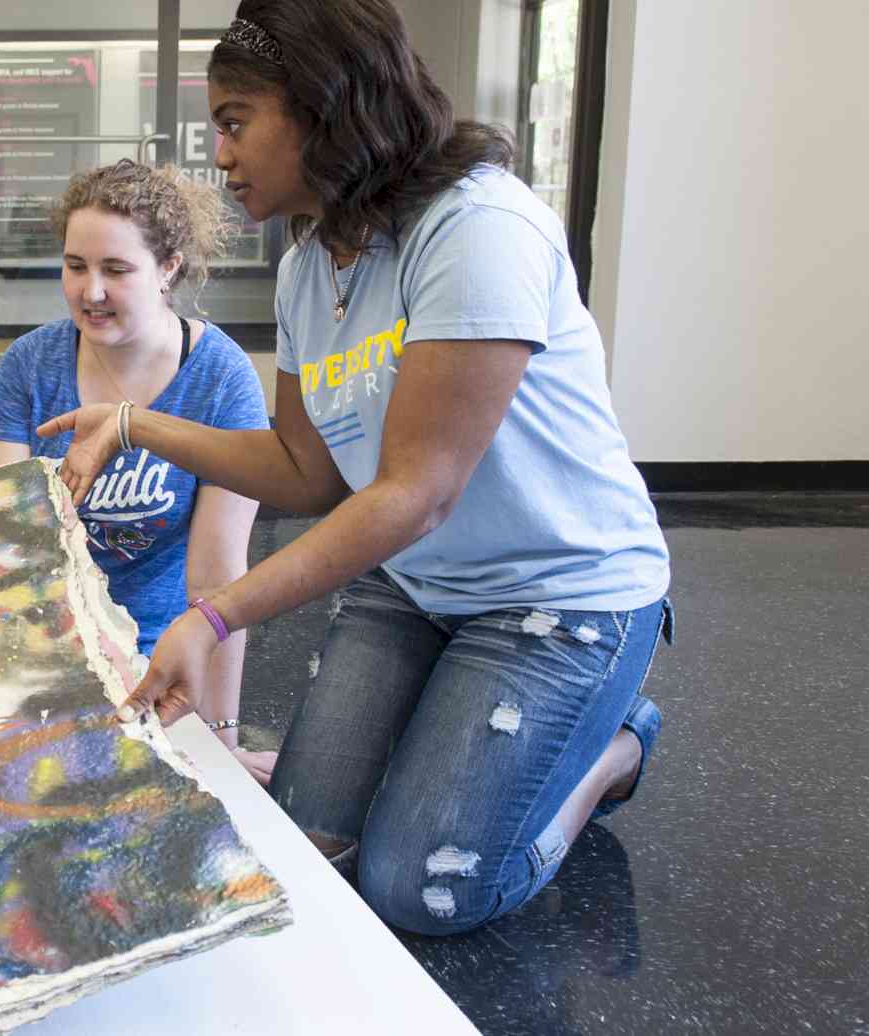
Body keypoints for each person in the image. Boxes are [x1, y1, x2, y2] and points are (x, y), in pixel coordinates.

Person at [39, 0, 671, 937]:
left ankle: (611, 752)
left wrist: (212, 616)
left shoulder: (477, 228)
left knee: (423, 888)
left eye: (234, 120)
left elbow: (416, 494)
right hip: (417, 585)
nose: (219, 153)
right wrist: (132, 425)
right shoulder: (308, 268)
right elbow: (304, 473)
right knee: (309, 845)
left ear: (322, 108)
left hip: (559, 596)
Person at [0, 159, 272, 781]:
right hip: (47, 643)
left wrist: (220, 735)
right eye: (75, 266)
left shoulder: (221, 378)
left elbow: (220, 575)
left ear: (168, 269)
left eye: (116, 270)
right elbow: (4, 548)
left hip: (161, 654)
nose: (91, 292)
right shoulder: (29, 367)